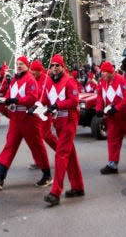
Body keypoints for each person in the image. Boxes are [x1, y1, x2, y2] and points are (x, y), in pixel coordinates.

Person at [0, 55, 52, 189]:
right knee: (10, 146)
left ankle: (47, 175)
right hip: (16, 119)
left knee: (37, 147)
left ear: (27, 66)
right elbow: (9, 94)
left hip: (28, 119)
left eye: (22, 63)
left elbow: (32, 98)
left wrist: (15, 100)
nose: (19, 65)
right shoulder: (14, 79)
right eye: (17, 63)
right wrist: (2, 99)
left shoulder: (30, 79)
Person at [41, 54, 84, 207]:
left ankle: (55, 192)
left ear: (62, 66)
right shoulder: (49, 82)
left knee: (61, 155)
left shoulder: (69, 81)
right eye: (52, 65)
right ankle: (78, 186)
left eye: (57, 65)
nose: (54, 68)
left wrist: (58, 105)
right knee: (69, 154)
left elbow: (74, 100)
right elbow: (44, 101)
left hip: (69, 122)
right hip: (58, 123)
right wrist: (36, 108)